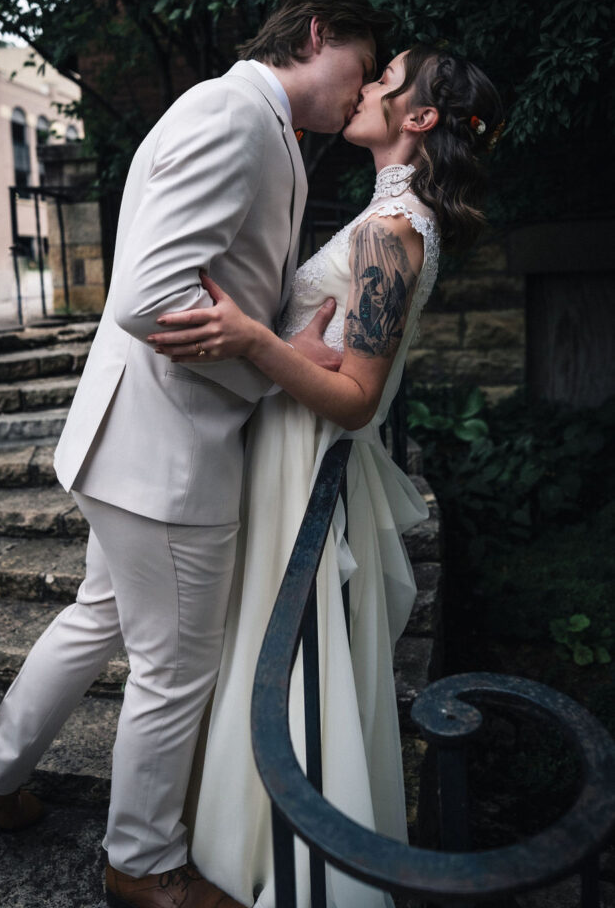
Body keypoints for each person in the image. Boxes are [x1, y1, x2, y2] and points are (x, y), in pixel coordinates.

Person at [0, 0, 388, 908]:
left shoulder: (262, 124)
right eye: (364, 65)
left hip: (138, 439)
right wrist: (275, 363)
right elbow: (146, 297)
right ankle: (141, 863)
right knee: (175, 669)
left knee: (97, 614)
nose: (364, 90)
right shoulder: (234, 113)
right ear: (316, 33)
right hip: (170, 451)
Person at [150, 45, 504, 907]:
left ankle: (289, 864)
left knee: (287, 662)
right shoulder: (385, 220)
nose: (370, 84)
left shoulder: (390, 234)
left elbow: (352, 399)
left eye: (388, 79)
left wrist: (256, 343)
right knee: (270, 658)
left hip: (306, 461)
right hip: (284, 451)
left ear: (417, 118)